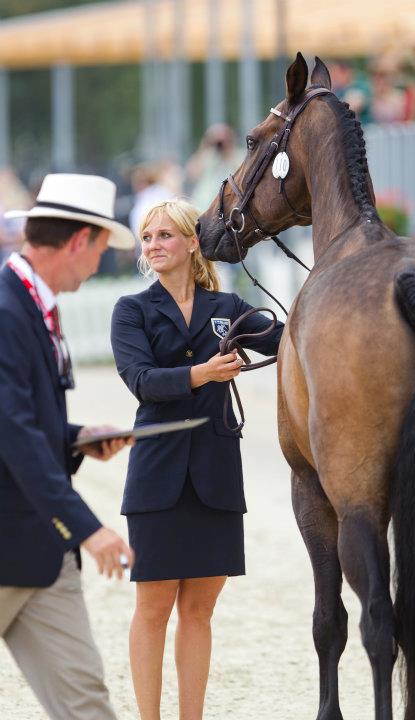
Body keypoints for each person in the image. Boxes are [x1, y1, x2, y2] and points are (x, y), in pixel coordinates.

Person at [110, 198, 283, 720]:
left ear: (192, 242)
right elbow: (141, 382)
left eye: (165, 235)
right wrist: (203, 374)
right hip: (157, 479)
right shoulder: (132, 310)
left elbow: (295, 340)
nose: (154, 245)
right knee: (153, 608)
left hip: (216, 476)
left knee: (199, 612)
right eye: (147, 237)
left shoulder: (229, 308)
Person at [0, 173, 136, 720]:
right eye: (101, 248)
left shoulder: (32, 305)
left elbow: (25, 424)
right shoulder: (7, 311)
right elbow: (12, 432)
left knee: (86, 705)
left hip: (42, 550)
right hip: (19, 536)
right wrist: (88, 528)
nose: (101, 262)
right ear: (80, 240)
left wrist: (76, 438)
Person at [184, 124, 244, 211]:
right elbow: (191, 173)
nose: (221, 143)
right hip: (204, 207)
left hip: (229, 208)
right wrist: (205, 145)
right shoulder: (208, 155)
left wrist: (228, 151)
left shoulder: (239, 155)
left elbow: (244, 173)